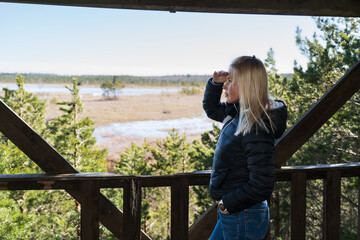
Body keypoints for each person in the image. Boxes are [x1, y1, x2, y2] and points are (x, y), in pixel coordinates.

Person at [203, 55, 287, 239]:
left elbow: (262, 183)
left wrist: (226, 204)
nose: (225, 85)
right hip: (236, 211)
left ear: (247, 85)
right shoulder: (237, 114)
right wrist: (215, 83)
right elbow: (211, 108)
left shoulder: (255, 124)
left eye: (230, 81)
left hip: (243, 212)